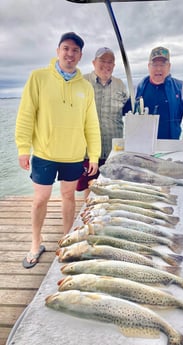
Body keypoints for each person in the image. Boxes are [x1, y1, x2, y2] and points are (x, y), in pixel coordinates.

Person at [15, 32, 101, 269]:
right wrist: (23, 148)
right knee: (40, 199)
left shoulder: (85, 86)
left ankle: (67, 239)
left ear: (80, 55)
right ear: (58, 51)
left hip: (73, 156)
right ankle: (35, 242)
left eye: (75, 50)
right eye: (66, 48)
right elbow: (26, 115)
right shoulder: (38, 78)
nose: (70, 54)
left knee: (68, 198)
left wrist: (93, 154)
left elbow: (91, 124)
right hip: (44, 154)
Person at [125, 46, 183, 146]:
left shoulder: (182, 88)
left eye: (163, 64)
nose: (158, 68)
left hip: (171, 145)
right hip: (142, 144)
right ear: (148, 66)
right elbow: (125, 110)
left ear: (169, 66)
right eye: (155, 64)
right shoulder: (137, 89)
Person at [76, 47, 128, 198]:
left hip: (113, 148)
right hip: (87, 150)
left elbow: (127, 111)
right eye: (102, 61)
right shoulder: (82, 82)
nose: (106, 65)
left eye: (110, 62)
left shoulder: (120, 85)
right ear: (93, 62)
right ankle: (88, 215)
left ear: (114, 65)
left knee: (112, 187)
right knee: (88, 186)